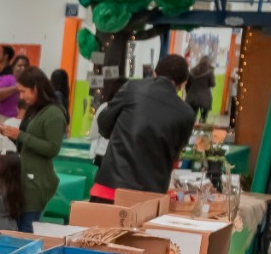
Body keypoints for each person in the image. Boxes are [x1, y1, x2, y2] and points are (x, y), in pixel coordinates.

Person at [91, 53, 195, 203]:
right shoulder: (187, 113)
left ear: (155, 73)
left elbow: (104, 124)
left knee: (97, 226)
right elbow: (175, 156)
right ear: (183, 83)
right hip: (149, 196)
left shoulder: (132, 88)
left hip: (111, 187)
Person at [0, 67, 65, 231]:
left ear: (36, 88)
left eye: (24, 91)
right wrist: (11, 135)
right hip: (23, 181)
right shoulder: (35, 110)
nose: (22, 97)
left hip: (36, 184)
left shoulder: (53, 114)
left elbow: (52, 149)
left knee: (26, 232)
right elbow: (26, 145)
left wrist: (21, 136)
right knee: (18, 230)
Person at [0, 53, 30, 149]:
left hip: (22, 121)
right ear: (13, 67)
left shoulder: (31, 82)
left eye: (25, 66)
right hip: (3, 119)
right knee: (6, 148)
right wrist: (15, 88)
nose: (22, 68)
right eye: (19, 65)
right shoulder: (6, 80)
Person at [186, 54, 216, 123]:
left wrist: (189, 93)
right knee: (203, 119)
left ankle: (191, 132)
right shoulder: (210, 72)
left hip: (192, 97)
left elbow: (187, 85)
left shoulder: (192, 70)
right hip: (205, 98)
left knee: (191, 119)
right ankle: (201, 132)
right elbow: (212, 84)